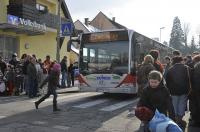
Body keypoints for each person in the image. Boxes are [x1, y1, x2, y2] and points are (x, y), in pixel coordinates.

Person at [166, 56, 191, 128]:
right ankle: (179, 121)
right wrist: (188, 89)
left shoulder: (170, 69)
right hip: (184, 91)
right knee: (182, 105)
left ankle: (175, 121)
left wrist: (169, 90)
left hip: (173, 91)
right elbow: (189, 79)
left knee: (174, 106)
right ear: (181, 61)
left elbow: (167, 81)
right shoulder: (186, 68)